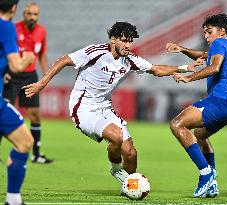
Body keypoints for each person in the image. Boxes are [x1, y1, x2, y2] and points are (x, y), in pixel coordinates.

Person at [23, 22, 197, 187]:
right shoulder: (96, 52)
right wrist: (42, 83)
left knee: (130, 153)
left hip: (104, 107)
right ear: (113, 39)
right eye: (124, 40)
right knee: (116, 136)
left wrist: (183, 68)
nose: (128, 45)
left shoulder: (129, 60)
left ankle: (128, 187)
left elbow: (156, 69)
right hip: (83, 108)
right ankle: (115, 169)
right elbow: (64, 60)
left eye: (130, 41)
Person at [166, 13, 227, 198]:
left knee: (177, 124)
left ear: (222, 31)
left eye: (209, 32)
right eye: (205, 33)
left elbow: (214, 67)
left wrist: (188, 77)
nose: (206, 37)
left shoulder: (219, 43)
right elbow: (203, 56)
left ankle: (206, 174)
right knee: (200, 135)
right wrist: (182, 49)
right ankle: (212, 184)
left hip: (220, 100)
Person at [3, 2, 53, 164]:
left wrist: (46, 75)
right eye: (29, 14)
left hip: (30, 75)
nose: (32, 17)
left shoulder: (42, 31)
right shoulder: (12, 28)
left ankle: (36, 154)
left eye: (35, 14)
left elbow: (42, 54)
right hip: (12, 74)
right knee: (4, 113)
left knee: (35, 114)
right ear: (23, 14)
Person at [0, 0, 35, 204]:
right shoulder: (6, 27)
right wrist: (27, 59)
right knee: (25, 142)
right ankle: (13, 199)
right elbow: (16, 65)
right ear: (14, 8)